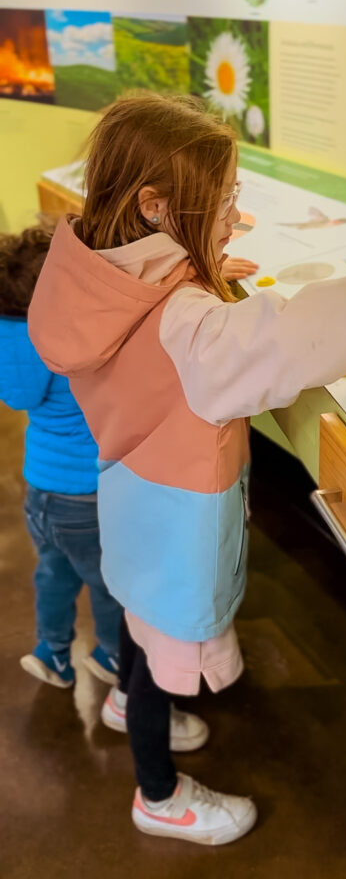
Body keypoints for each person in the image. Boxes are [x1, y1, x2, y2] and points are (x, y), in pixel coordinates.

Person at [28, 92, 346, 846]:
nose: (234, 211)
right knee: (168, 648)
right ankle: (157, 796)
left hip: (132, 496)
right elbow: (289, 339)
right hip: (180, 519)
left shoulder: (93, 272)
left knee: (137, 612)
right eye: (221, 199)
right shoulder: (188, 324)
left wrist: (194, 266)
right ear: (156, 206)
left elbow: (147, 320)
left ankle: (130, 699)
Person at [0, 225, 122, 689]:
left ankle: (52, 650)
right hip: (87, 495)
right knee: (108, 583)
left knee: (54, 572)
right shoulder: (69, 342)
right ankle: (112, 655)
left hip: (40, 493)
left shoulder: (11, 339)